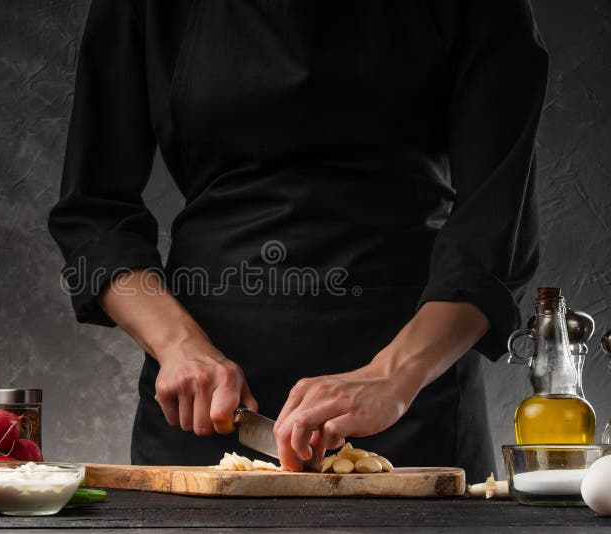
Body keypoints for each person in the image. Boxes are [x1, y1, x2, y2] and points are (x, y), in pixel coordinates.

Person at [49, 0, 548, 480]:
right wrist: (178, 346)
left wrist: (393, 376)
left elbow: (495, 224)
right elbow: (94, 213)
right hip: (203, 405)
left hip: (411, 400)